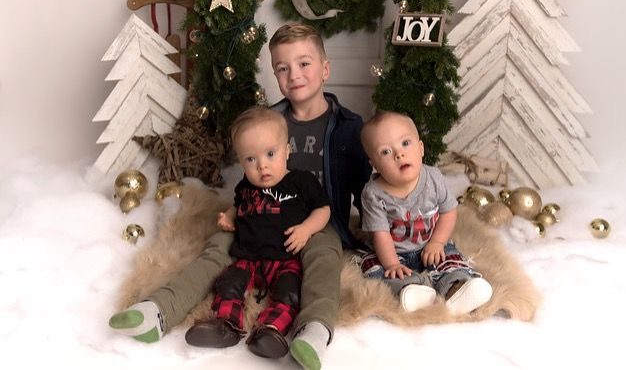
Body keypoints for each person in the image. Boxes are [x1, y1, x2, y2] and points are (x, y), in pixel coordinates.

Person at [109, 23, 373, 370]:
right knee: (217, 247)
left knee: (324, 261)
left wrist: (373, 236)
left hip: (315, 223)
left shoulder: (349, 126)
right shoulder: (268, 120)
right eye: (282, 68)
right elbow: (248, 183)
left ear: (325, 69)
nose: (294, 75)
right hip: (257, 219)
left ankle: (313, 330)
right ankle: (159, 310)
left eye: (304, 64)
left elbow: (364, 187)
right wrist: (233, 216)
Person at [182, 106, 330, 359]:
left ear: (287, 151)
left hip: (285, 259)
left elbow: (323, 209)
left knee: (289, 292)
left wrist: (306, 229)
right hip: (248, 257)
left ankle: (270, 330)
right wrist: (229, 216)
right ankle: (226, 325)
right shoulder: (246, 186)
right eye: (251, 159)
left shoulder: (301, 182)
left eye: (270, 154)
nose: (262, 166)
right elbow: (238, 205)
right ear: (241, 162)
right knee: (229, 282)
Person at [358, 111, 493, 314]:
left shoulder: (433, 178)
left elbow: (448, 211)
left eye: (405, 143)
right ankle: (412, 289)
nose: (398, 154)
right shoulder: (373, 194)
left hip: (429, 245)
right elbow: (381, 234)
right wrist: (392, 264)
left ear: (421, 148)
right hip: (393, 252)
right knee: (377, 269)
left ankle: (456, 287)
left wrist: (437, 242)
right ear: (374, 165)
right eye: (385, 152)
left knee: (450, 258)